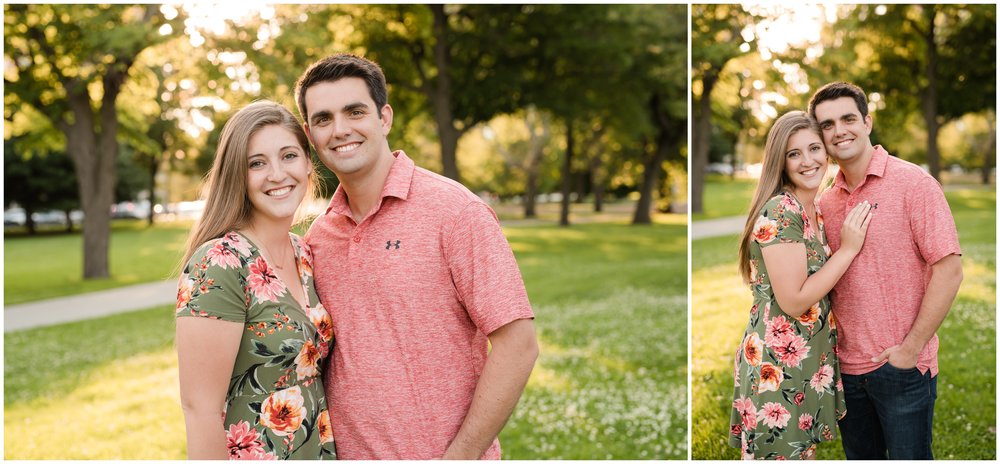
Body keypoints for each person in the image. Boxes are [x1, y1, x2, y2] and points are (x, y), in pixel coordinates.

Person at [294, 53, 539, 460]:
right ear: (310, 133)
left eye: (355, 111)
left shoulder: (455, 211)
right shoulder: (319, 237)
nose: (340, 130)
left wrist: (459, 457)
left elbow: (518, 345)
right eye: (323, 119)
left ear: (384, 118)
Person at [809, 82, 963, 460]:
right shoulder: (825, 201)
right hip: (845, 370)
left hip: (902, 367)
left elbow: (949, 269)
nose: (839, 130)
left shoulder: (914, 183)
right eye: (827, 125)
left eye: (848, 118)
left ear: (867, 122)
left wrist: (910, 349)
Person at [175, 100, 336, 460]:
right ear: (237, 175)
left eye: (289, 156)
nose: (277, 174)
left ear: (309, 163)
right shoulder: (220, 262)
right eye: (257, 163)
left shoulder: (304, 253)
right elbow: (199, 409)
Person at [730, 110, 874, 460]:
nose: (808, 161)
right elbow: (794, 301)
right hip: (777, 366)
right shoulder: (782, 210)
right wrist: (849, 249)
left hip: (803, 360)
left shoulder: (812, 208)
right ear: (781, 161)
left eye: (814, 149)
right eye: (794, 154)